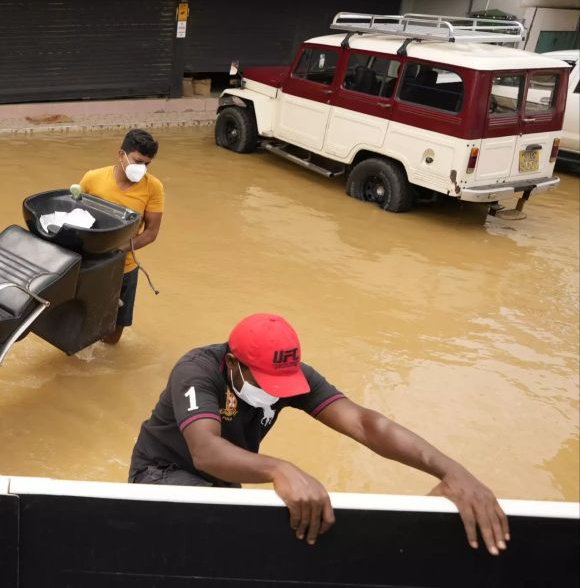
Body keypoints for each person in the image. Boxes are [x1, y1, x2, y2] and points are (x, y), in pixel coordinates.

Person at [129, 313, 510, 556]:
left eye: (283, 384)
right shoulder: (196, 371)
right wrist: (280, 469)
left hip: (224, 481)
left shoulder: (288, 377)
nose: (276, 392)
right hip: (162, 472)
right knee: (224, 545)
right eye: (267, 383)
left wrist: (451, 471)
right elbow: (206, 451)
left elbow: (364, 423)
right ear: (233, 364)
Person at [79, 129, 164, 344]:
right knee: (80, 323)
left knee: (112, 337)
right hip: (89, 265)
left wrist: (118, 249)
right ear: (121, 155)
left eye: (146, 164)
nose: (141, 168)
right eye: (137, 161)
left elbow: (151, 232)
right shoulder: (92, 179)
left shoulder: (153, 188)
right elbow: (75, 216)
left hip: (124, 269)